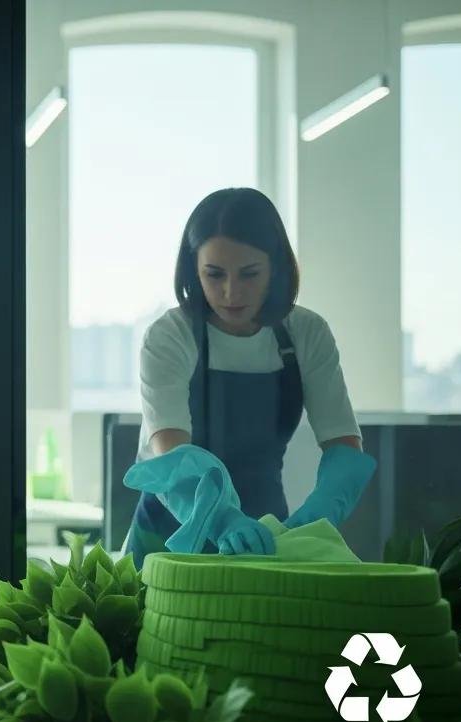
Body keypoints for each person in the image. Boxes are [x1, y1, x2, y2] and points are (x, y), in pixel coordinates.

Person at [125, 188, 375, 566]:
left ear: (275, 267)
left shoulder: (306, 333)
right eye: (214, 274)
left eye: (249, 274)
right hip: (171, 532)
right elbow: (172, 454)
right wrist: (222, 520)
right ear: (193, 268)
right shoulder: (171, 335)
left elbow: (343, 443)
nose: (230, 293)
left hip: (266, 531)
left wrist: (319, 514)